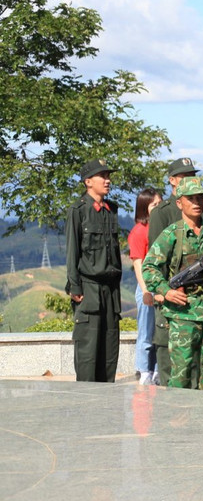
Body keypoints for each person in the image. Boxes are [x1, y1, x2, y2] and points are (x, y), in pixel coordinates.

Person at [142, 178, 203, 390]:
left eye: (199, 198)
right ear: (179, 203)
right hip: (183, 315)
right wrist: (166, 292)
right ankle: (178, 422)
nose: (196, 202)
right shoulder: (171, 234)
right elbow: (149, 267)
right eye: (190, 199)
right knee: (181, 375)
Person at [65, 158, 123, 383]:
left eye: (109, 176)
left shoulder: (111, 210)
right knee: (88, 353)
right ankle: (85, 409)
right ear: (88, 181)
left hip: (111, 290)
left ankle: (106, 408)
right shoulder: (78, 210)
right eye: (103, 176)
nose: (107, 181)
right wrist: (75, 285)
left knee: (110, 352)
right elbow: (72, 251)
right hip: (88, 288)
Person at [147, 157, 199, 384]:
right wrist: (161, 291)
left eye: (192, 176)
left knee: (194, 365)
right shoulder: (163, 212)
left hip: (195, 299)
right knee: (171, 363)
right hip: (170, 292)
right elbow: (155, 256)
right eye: (185, 177)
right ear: (172, 181)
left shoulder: (198, 209)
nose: (190, 180)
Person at [129, 187, 161, 385]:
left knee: (159, 331)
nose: (158, 208)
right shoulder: (139, 231)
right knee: (146, 332)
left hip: (160, 287)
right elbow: (138, 263)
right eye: (153, 205)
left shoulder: (160, 227)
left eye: (160, 204)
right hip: (147, 288)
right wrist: (145, 290)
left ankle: (157, 371)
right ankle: (144, 370)